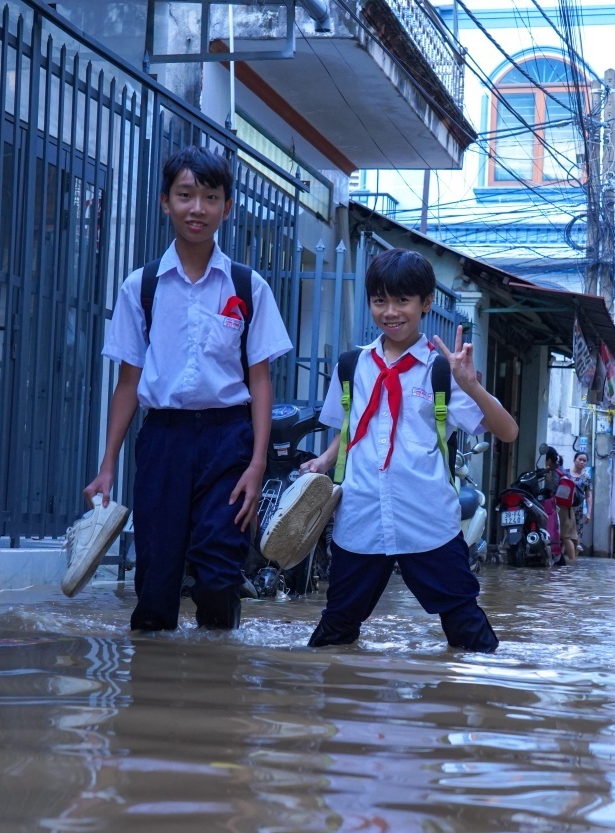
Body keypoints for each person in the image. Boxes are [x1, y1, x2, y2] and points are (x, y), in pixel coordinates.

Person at [84, 145, 292, 632]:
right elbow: (128, 382)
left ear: (227, 207)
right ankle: (152, 695)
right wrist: (108, 465)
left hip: (229, 443)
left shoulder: (248, 287)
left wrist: (258, 463)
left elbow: (260, 381)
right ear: (165, 202)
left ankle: (217, 686)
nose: (197, 208)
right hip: (163, 442)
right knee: (156, 581)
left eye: (210, 197)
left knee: (220, 577)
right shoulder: (142, 287)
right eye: (185, 195)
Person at [300, 248, 519, 652]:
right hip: (361, 516)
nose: (390, 311)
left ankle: (480, 705)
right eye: (380, 300)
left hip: (427, 519)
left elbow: (507, 431)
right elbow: (350, 428)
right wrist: (325, 459)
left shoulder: (442, 370)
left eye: (402, 300)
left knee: (467, 630)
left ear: (426, 303)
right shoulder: (352, 366)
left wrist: (471, 386)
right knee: (335, 632)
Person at [572, 450, 592, 549]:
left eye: (584, 461)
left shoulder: (586, 478)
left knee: (577, 535)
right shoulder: (566, 474)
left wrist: (588, 513)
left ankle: (573, 561)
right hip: (564, 509)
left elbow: (588, 496)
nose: (582, 462)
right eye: (580, 459)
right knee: (563, 533)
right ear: (574, 460)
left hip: (578, 510)